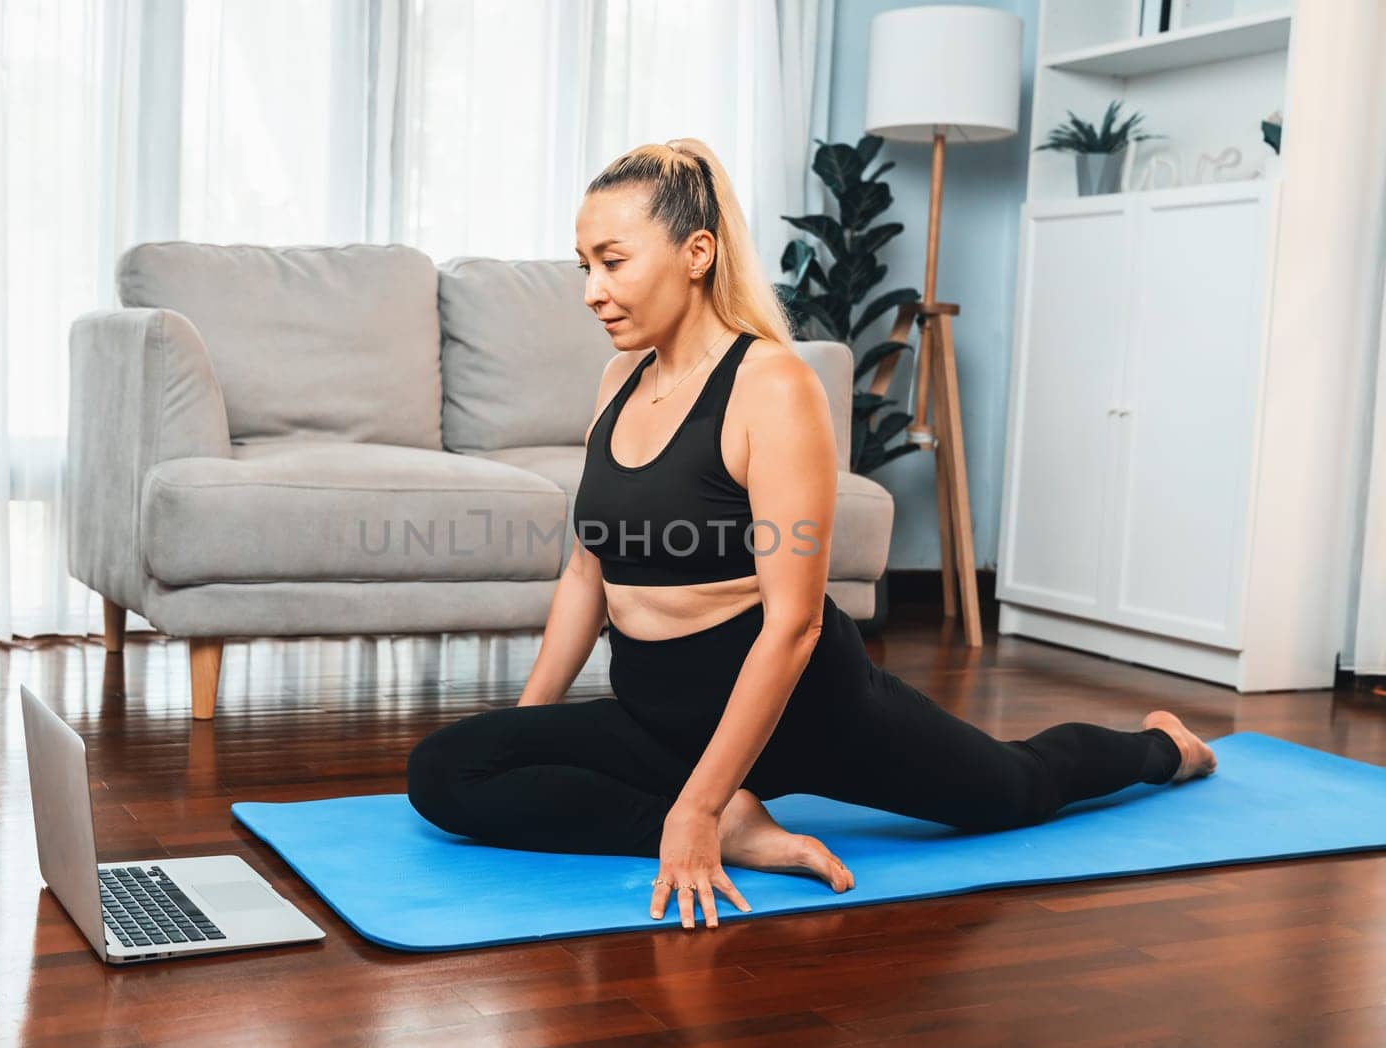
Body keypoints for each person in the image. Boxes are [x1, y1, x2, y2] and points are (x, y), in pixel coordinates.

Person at [405, 138, 1217, 932]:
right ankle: (738, 825)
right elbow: (588, 571)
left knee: (1014, 790)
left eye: (612, 261)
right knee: (444, 773)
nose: (591, 289)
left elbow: (793, 625)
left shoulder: (773, 387)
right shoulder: (620, 378)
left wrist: (696, 801)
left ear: (696, 253)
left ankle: (1159, 747)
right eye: (586, 265)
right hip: (658, 716)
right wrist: (528, 734)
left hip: (807, 711)